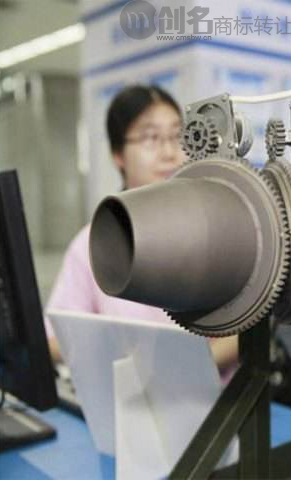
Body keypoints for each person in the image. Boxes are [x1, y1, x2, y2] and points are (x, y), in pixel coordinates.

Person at [46, 85, 238, 374]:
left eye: (178, 136)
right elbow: (53, 338)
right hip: (128, 396)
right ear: (118, 155)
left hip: (217, 396)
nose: (169, 153)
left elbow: (251, 327)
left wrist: (187, 369)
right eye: (151, 138)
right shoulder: (90, 244)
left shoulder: (220, 229)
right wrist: (119, 359)